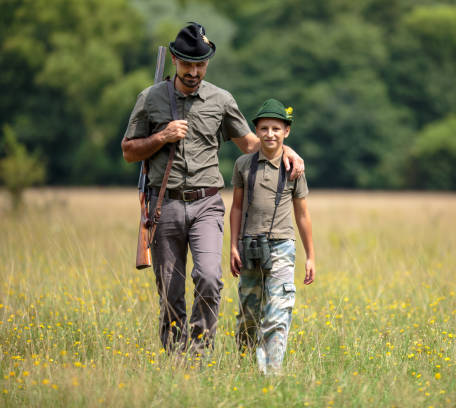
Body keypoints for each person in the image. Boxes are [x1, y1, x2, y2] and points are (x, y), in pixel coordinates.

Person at [121, 23, 304, 359]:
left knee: (208, 278)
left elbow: (250, 143)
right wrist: (162, 136)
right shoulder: (149, 98)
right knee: (170, 291)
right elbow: (129, 151)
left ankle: (199, 355)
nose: (194, 71)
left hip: (207, 204)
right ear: (174, 59)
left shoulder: (221, 100)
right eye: (188, 64)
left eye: (201, 64)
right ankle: (176, 359)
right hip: (164, 205)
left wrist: (285, 150)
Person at [229, 98, 315, 375]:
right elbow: (237, 208)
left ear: (286, 131)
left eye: (276, 128)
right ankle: (245, 369)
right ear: (256, 131)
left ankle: (272, 374)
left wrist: (311, 256)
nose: (270, 134)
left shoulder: (295, 169)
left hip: (282, 246)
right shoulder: (243, 165)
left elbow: (302, 215)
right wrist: (233, 246)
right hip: (249, 246)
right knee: (248, 317)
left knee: (278, 313)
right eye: (264, 128)